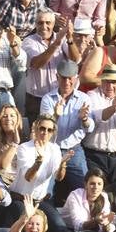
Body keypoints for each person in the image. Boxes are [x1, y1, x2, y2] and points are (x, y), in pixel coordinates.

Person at [40, 58, 94, 194]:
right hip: (52, 149)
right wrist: (55, 116)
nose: (67, 82)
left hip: (74, 150)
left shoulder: (84, 99)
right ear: (57, 77)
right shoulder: (47, 98)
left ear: (76, 78)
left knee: (85, 188)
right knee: (45, 191)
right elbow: (44, 128)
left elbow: (90, 127)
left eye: (70, 78)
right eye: (63, 78)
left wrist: (85, 119)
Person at [20, 8, 69, 124]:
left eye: (48, 23)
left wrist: (70, 38)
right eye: (40, 23)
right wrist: (56, 43)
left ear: (53, 24)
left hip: (58, 97)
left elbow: (75, 60)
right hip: (36, 99)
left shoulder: (62, 38)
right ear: (35, 24)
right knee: (37, 135)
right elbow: (37, 64)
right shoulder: (28, 41)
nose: (44, 26)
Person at [61, 167, 114, 232]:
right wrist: (96, 221)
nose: (96, 187)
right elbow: (78, 226)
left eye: (99, 184)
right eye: (92, 184)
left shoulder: (104, 197)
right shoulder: (75, 195)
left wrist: (106, 225)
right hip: (69, 230)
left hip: (89, 231)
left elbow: (104, 227)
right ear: (86, 184)